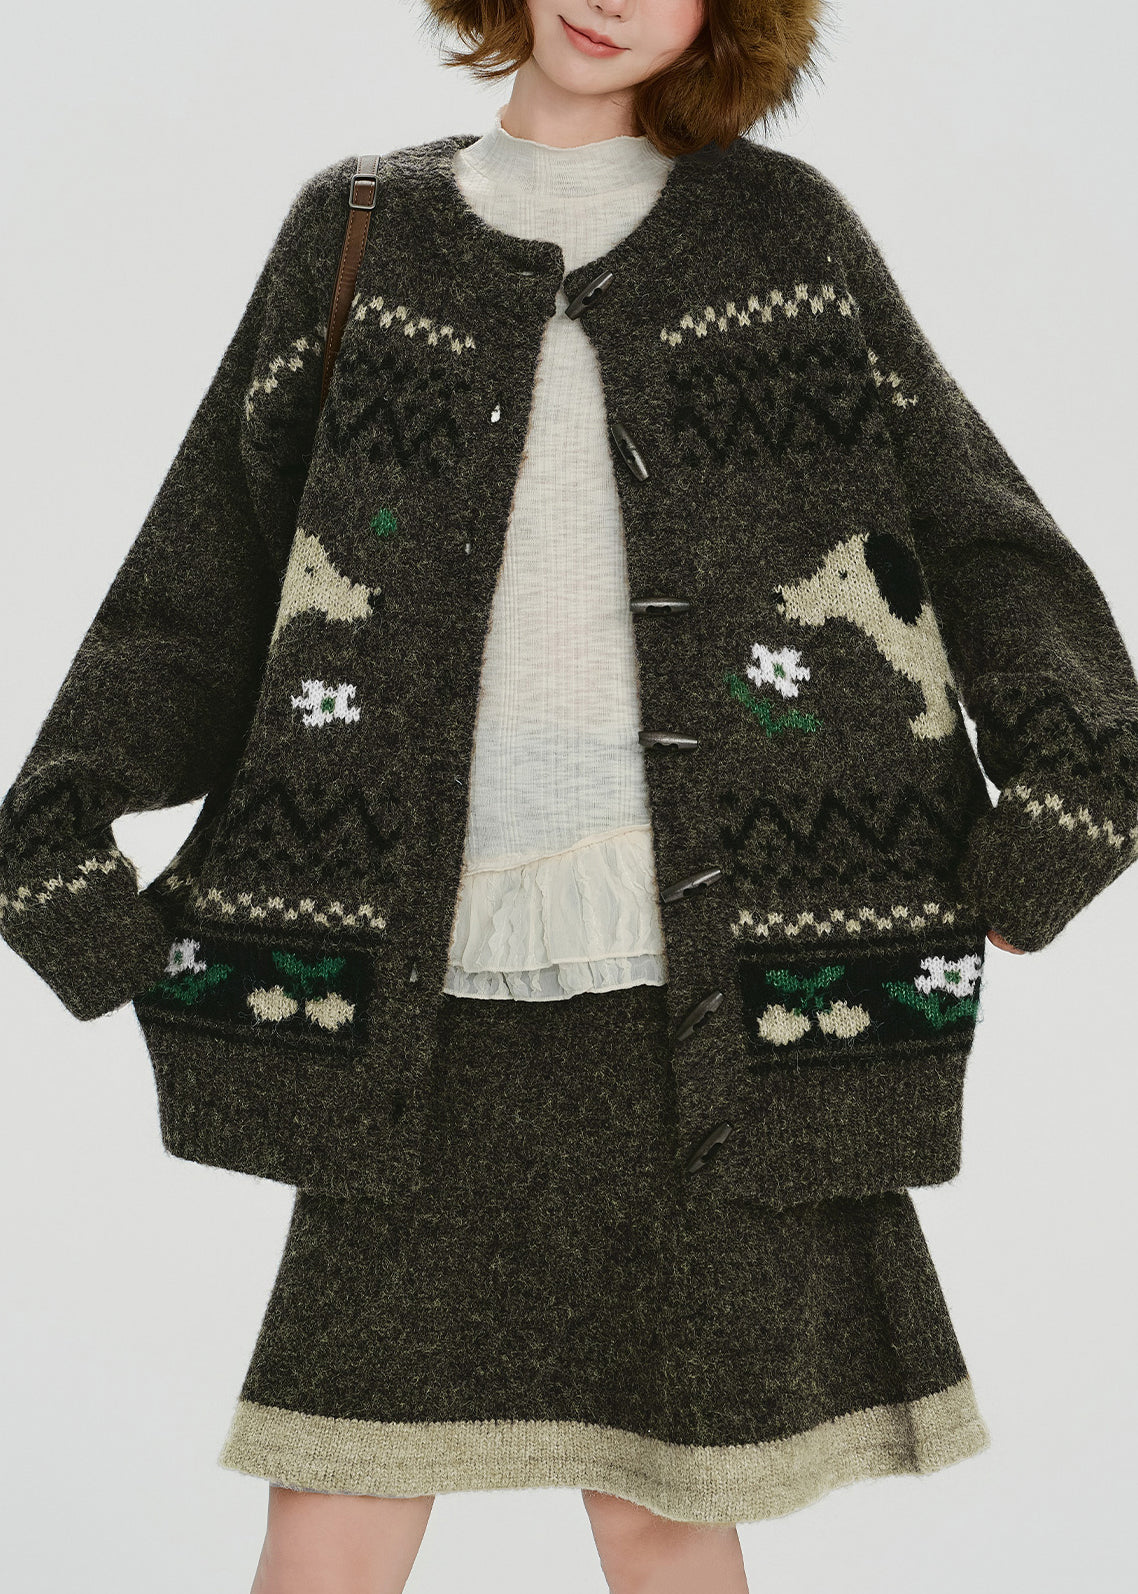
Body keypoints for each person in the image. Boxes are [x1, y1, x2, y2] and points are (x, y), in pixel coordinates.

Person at [2, 3, 1136, 1592]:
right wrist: (59, 828)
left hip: (715, 994)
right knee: (331, 1502)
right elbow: (211, 567)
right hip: (414, 992)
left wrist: (1067, 802)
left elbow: (974, 526)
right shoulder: (358, 229)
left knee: (664, 1506)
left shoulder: (783, 237)